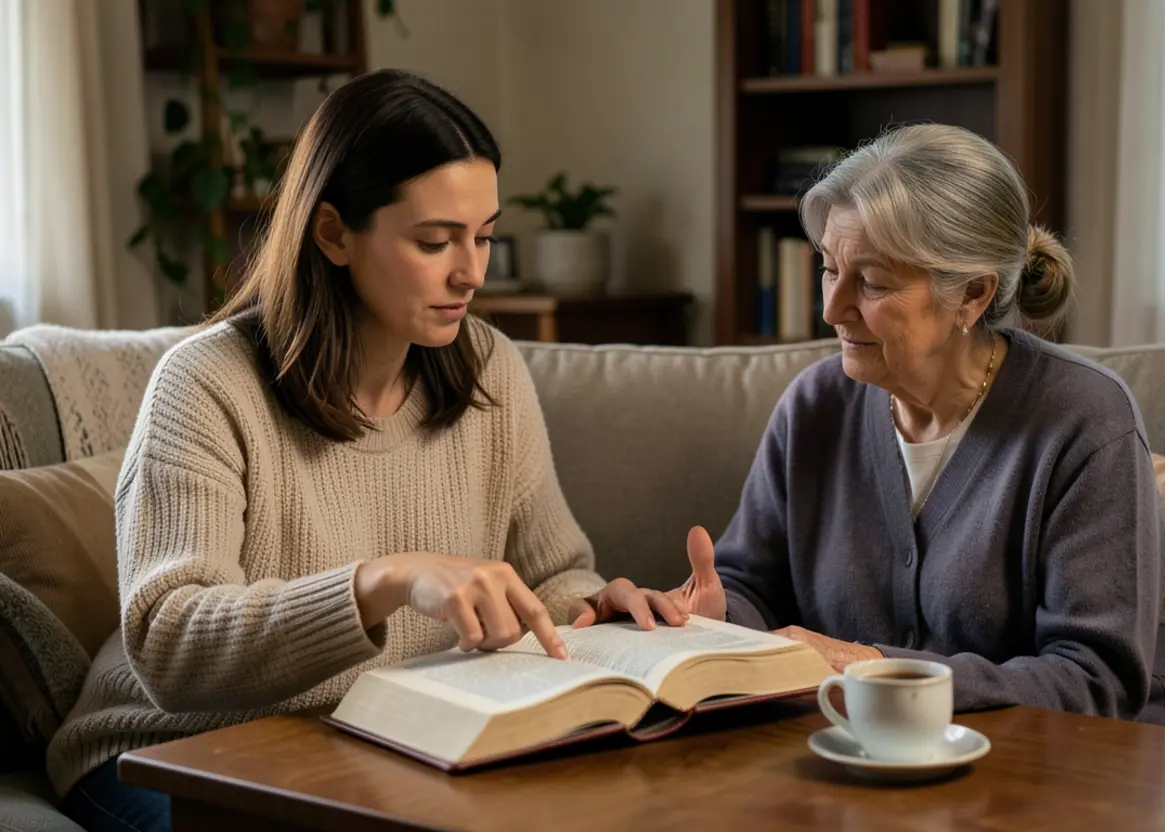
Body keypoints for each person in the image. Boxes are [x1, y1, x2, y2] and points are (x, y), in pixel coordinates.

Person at [48, 69, 688, 832]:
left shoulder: (489, 369)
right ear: (333, 234)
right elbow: (169, 644)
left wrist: (597, 610)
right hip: (170, 751)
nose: (471, 273)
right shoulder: (206, 384)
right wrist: (381, 581)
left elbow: (551, 575)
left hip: (372, 742)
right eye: (434, 241)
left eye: (485, 236)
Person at [670, 123, 1165, 731]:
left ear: (971, 295)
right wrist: (707, 616)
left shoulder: (1084, 420)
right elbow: (752, 585)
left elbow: (1097, 679)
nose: (831, 309)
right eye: (829, 269)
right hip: (877, 755)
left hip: (1081, 763)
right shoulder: (814, 407)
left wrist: (877, 667)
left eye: (871, 282)